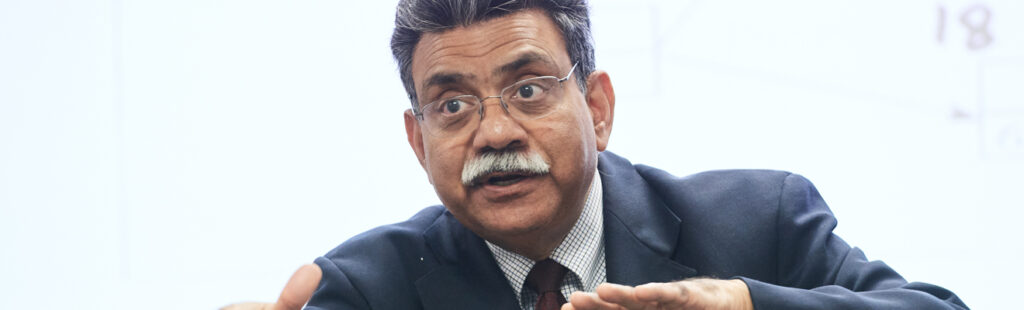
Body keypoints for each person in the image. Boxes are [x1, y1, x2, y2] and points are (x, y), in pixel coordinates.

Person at [225, 0, 967, 309]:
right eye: (452, 105)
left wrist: (751, 308)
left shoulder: (759, 223)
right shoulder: (371, 290)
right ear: (419, 142)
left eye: (528, 90)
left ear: (599, 108)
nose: (494, 134)